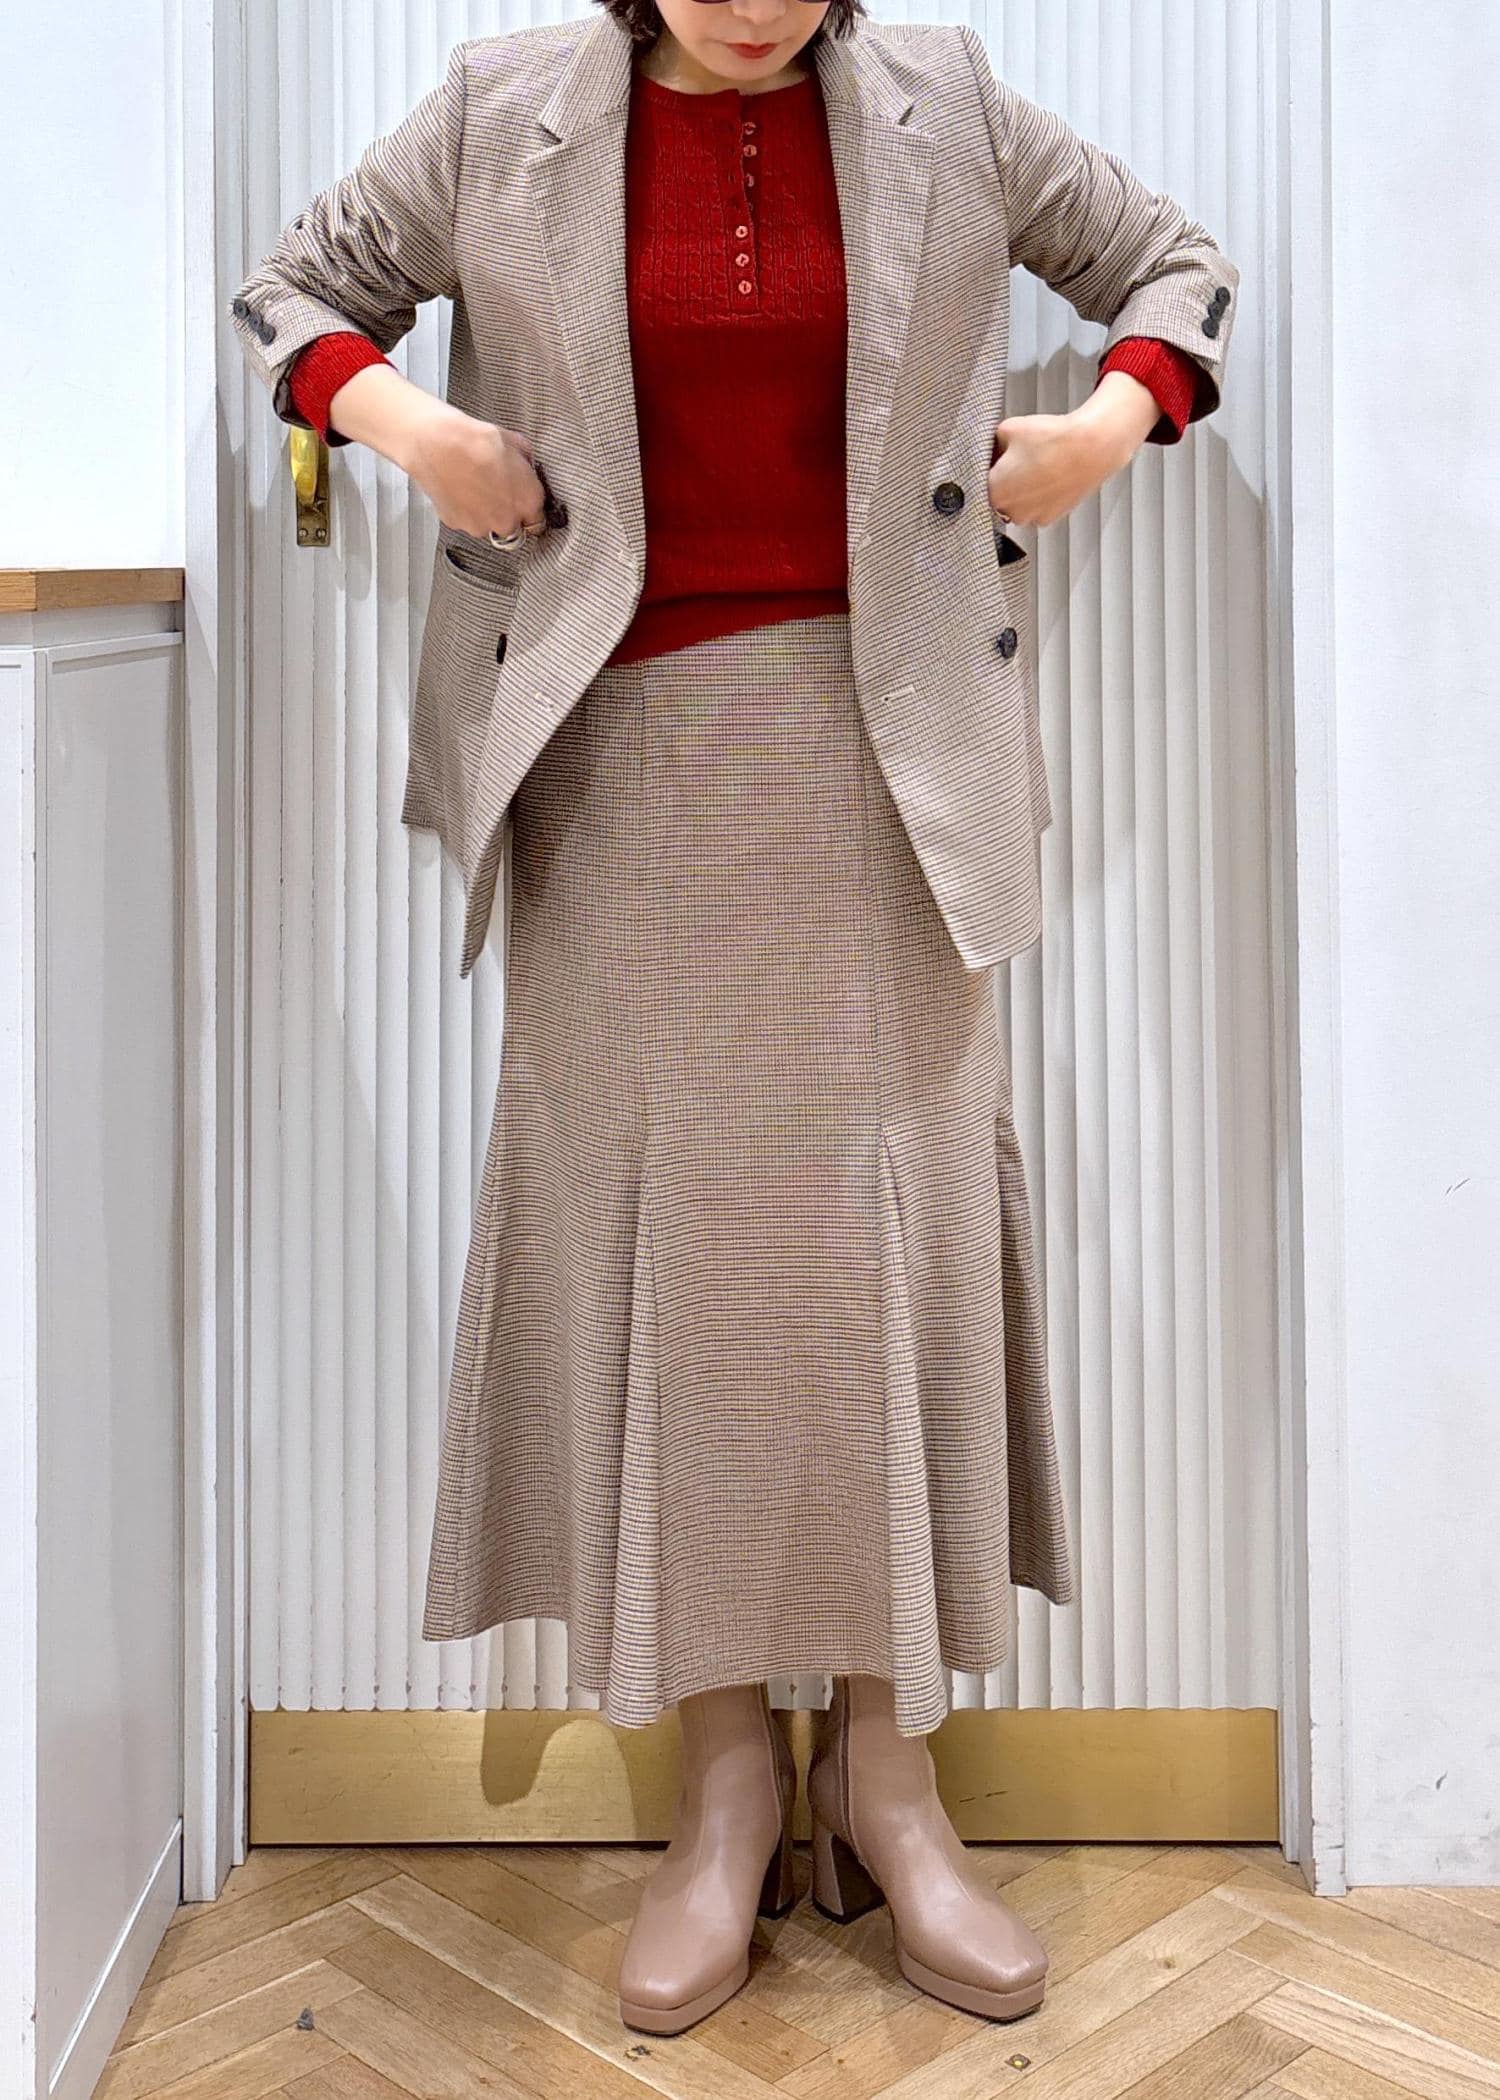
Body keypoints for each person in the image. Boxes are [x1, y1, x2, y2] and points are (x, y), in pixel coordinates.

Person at [229, 0, 1236, 2039]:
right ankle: (718, 1793)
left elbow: (1175, 266)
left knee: (883, 1255)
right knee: (669, 1261)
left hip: (895, 760)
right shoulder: (502, 108)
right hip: (613, 759)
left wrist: (1106, 427)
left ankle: (889, 1777)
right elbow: (290, 292)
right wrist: (416, 432)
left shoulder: (947, 97)